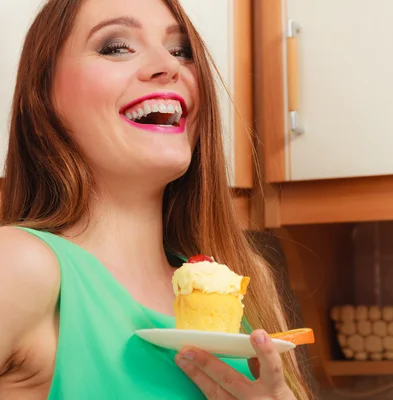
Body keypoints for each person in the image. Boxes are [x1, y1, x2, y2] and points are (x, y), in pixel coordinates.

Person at [0, 0, 312, 398]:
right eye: (115, 47)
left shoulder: (244, 284)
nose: (169, 66)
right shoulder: (20, 266)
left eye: (181, 51)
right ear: (42, 97)